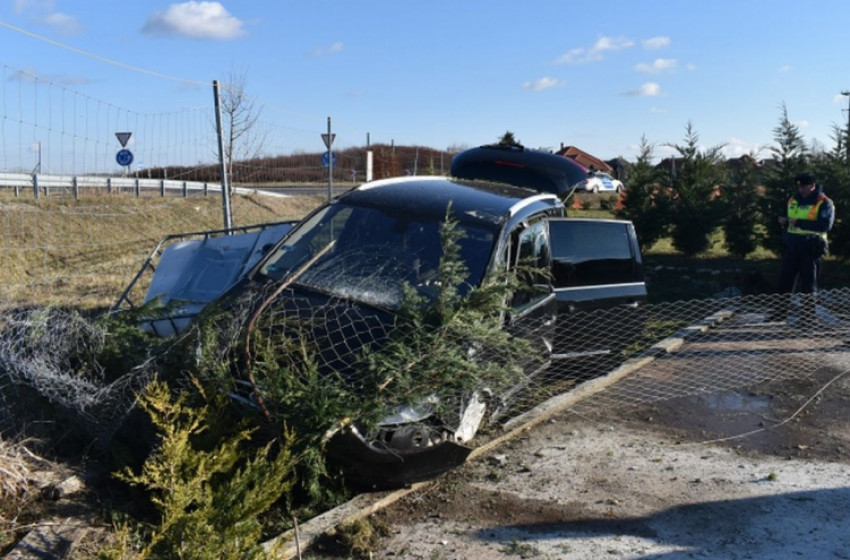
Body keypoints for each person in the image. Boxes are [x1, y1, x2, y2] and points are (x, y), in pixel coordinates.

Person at [776, 171, 835, 304]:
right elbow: (784, 214)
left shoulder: (824, 202)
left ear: (813, 185)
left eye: (804, 186)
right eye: (799, 186)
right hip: (793, 246)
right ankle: (780, 312)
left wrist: (799, 223)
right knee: (784, 282)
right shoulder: (793, 199)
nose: (801, 189)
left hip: (811, 247)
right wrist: (782, 220)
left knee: (808, 286)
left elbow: (825, 225)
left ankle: (808, 314)